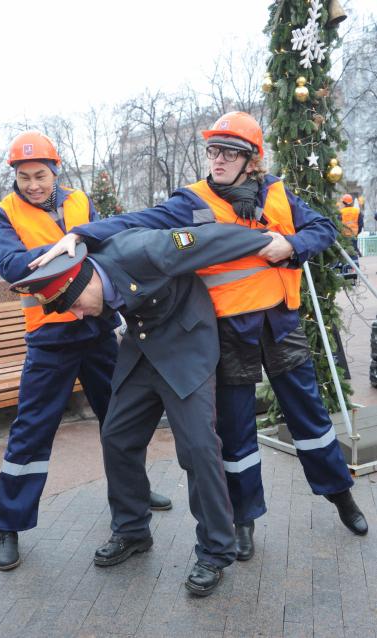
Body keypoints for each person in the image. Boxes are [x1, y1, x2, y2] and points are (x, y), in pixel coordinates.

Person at [35, 111, 368, 564]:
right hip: (230, 332)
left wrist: (292, 246)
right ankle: (243, 520)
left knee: (310, 418)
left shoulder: (277, 193)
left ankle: (340, 496)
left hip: (280, 324)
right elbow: (139, 221)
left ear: (252, 159)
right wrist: (79, 234)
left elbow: (323, 228)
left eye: (229, 152)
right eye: (213, 150)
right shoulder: (190, 200)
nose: (218, 159)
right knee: (235, 433)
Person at [13, 221, 273, 595]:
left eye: (77, 307)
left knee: (198, 449)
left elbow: (213, 238)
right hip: (143, 348)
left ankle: (216, 550)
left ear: (85, 283)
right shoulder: (92, 267)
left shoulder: (151, 248)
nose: (81, 316)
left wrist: (271, 242)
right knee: (117, 436)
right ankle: (132, 530)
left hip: (186, 346)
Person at [0, 130, 170, 572]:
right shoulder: (1, 214)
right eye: (25, 177)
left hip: (98, 328)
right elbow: (12, 266)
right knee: (32, 431)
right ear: (14, 176)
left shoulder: (79, 201)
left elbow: (109, 241)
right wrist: (77, 245)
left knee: (121, 420)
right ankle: (9, 525)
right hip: (50, 338)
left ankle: (134, 496)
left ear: (55, 171)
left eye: (41, 175)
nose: (33, 185)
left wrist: (68, 247)